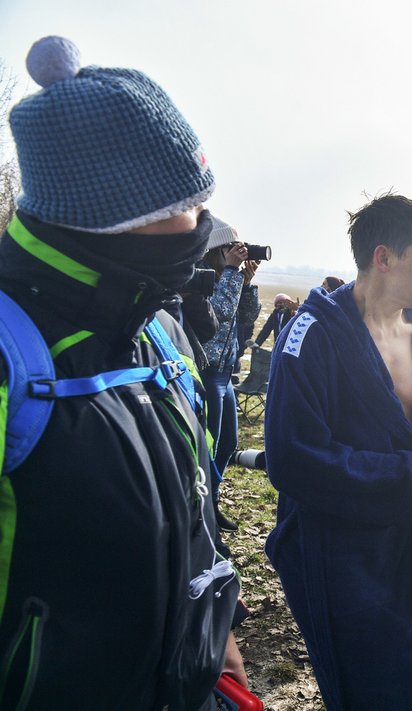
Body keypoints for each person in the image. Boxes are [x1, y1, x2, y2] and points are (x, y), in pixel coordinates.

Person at [0, 35, 244, 708]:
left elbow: (196, 506)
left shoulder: (160, 331)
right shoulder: (8, 349)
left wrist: (218, 645)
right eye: (180, 207)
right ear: (102, 218)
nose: (202, 227)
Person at [263, 193, 412, 708]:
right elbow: (291, 456)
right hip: (345, 557)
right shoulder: (313, 337)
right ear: (384, 257)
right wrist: (400, 474)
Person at [198, 220, 262, 532]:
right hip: (206, 370)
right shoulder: (200, 276)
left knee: (227, 444)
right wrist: (232, 273)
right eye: (230, 248)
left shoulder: (231, 277)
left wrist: (247, 283)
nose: (237, 253)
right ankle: (201, 508)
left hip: (225, 372)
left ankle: (211, 500)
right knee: (207, 447)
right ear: (214, 249)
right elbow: (219, 311)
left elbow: (247, 317)